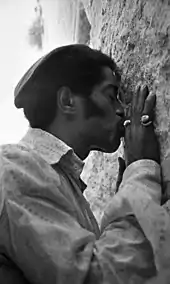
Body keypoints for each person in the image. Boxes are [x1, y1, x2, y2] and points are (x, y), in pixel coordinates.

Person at [0, 44, 167, 284]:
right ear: (67, 100)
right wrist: (141, 170)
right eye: (111, 96)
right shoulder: (15, 168)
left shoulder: (57, 180)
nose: (122, 109)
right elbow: (95, 276)